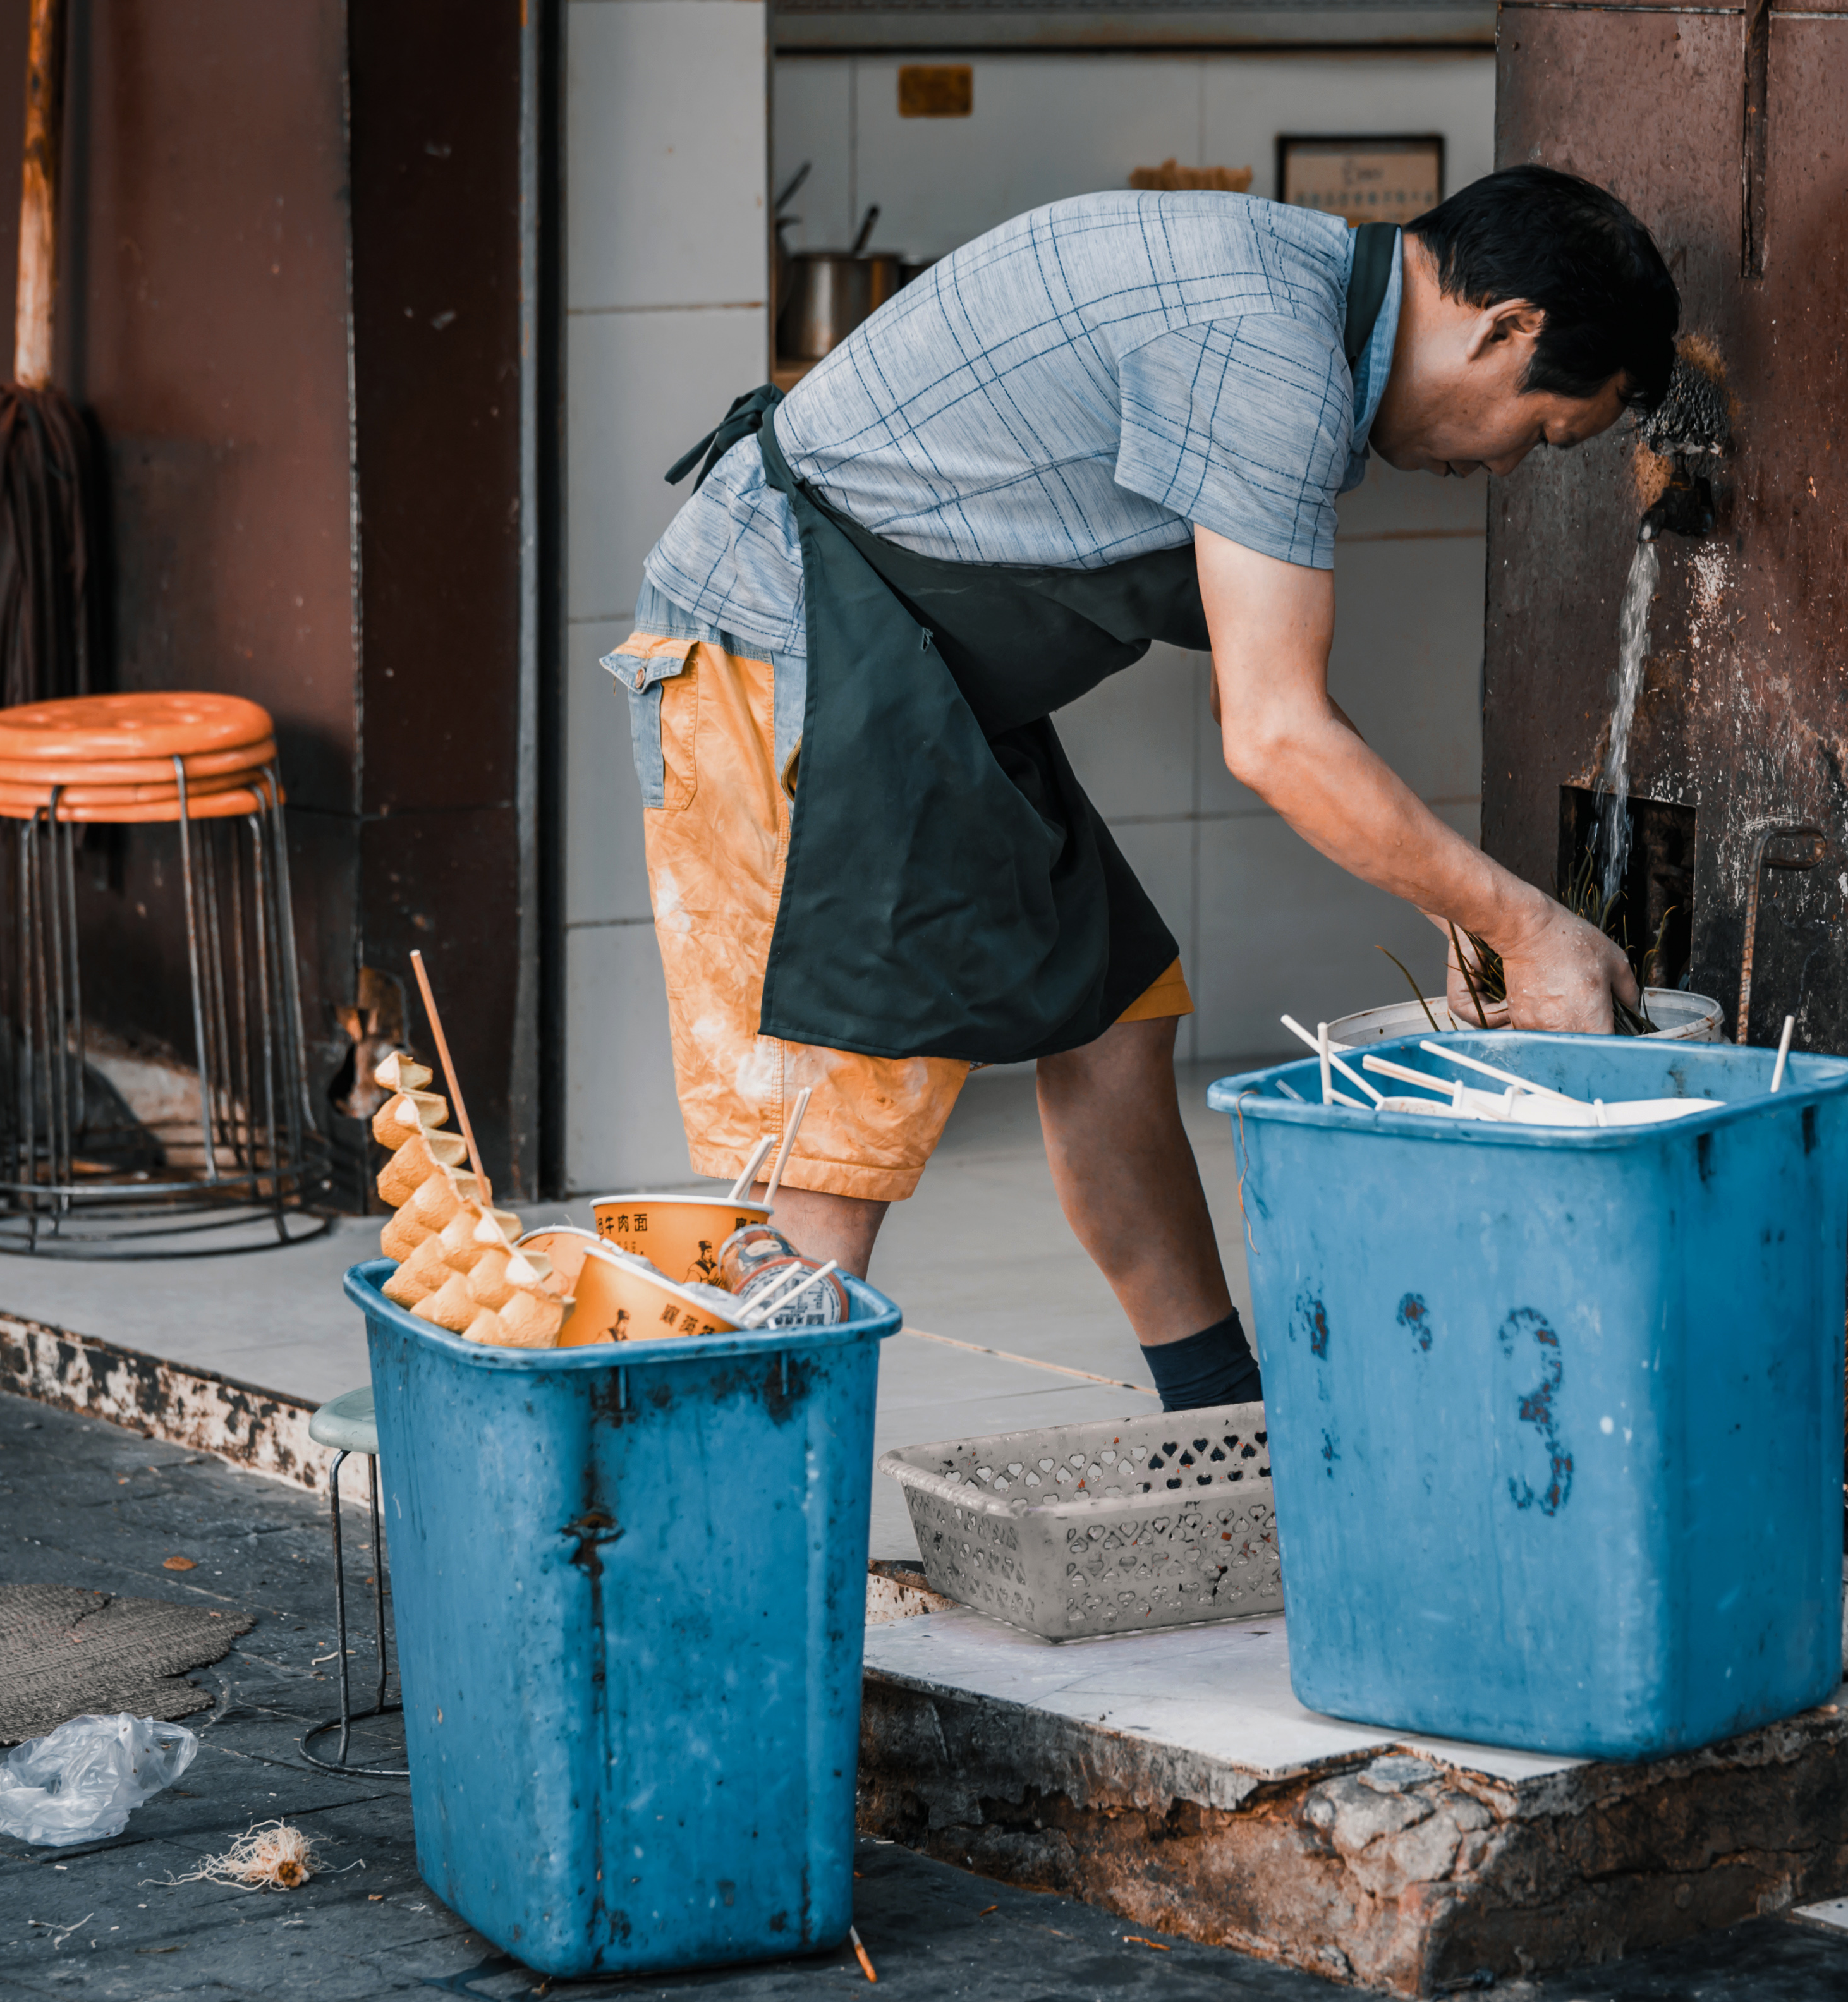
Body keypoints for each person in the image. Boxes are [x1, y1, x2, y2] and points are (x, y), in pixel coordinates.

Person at [611, 164, 1679, 1409]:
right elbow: (1277, 736)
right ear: (1508, 331)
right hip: (797, 651)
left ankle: (1226, 1418)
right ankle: (753, 1523)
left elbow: (1282, 693)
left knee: (1115, 1021)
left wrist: (1452, 902)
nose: (1507, 468)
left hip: (916, 677)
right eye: (1544, 432)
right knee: (841, 1125)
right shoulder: (1268, 354)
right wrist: (1526, 923)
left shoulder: (1292, 298)